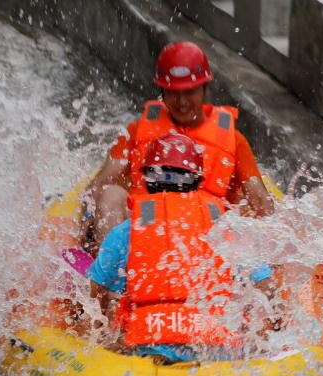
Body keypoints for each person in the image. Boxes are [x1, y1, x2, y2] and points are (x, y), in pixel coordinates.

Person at [88, 133, 275, 362]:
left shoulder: (125, 232)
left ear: (147, 181)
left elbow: (95, 298)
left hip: (148, 351)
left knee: (109, 322)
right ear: (196, 182)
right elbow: (266, 286)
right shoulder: (225, 228)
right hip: (216, 352)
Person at [80, 41, 275, 256]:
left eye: (189, 92)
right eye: (173, 92)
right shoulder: (136, 132)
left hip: (205, 240)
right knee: (110, 194)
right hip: (145, 234)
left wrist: (268, 257)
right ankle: (109, 270)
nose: (181, 102)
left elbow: (262, 204)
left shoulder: (234, 141)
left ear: (204, 88)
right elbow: (98, 186)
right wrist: (84, 232)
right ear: (161, 91)